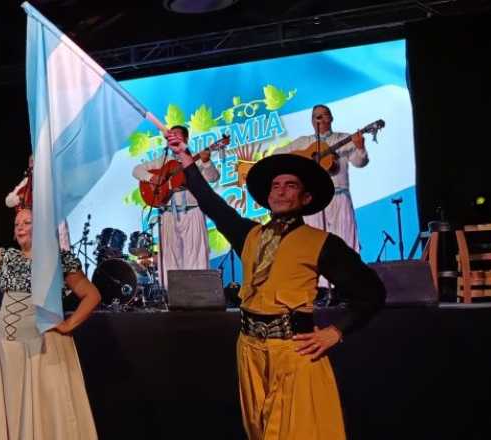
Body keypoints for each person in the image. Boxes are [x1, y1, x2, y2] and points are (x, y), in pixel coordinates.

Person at [178, 151, 385, 440]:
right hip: (250, 350)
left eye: (291, 185)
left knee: (296, 432)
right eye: (276, 186)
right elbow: (213, 205)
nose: (281, 191)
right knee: (259, 430)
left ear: (306, 198)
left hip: (293, 351)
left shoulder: (322, 243)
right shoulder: (249, 235)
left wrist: (335, 332)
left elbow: (372, 293)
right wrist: (186, 161)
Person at [0, 184, 100, 440]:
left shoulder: (58, 260)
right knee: (14, 411)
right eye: (17, 223)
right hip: (7, 350)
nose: (20, 226)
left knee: (45, 415)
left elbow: (92, 295)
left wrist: (68, 325)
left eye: (27, 222)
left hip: (41, 351)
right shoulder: (8, 258)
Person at [275, 104, 368, 255]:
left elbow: (360, 162)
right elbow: (278, 154)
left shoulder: (344, 138)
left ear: (331, 118)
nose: (321, 118)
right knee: (314, 248)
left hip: (339, 197)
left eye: (325, 114)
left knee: (346, 246)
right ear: (312, 121)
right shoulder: (303, 142)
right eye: (316, 116)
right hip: (313, 200)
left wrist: (360, 148)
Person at [131, 125, 219, 282]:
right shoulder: (162, 162)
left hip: (192, 212)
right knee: (170, 259)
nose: (173, 139)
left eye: (177, 136)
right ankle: (170, 297)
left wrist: (206, 162)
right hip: (168, 213)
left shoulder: (195, 160)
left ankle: (198, 296)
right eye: (170, 137)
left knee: (196, 257)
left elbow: (213, 177)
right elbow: (136, 170)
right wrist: (152, 178)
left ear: (185, 139)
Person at [5, 154, 70, 251]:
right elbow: (8, 201)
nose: (32, 163)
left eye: (34, 161)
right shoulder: (25, 182)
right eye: (30, 161)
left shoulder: (49, 177)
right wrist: (18, 197)